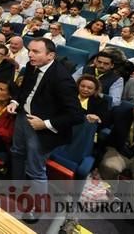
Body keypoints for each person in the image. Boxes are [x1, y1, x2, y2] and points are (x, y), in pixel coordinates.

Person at [6, 38, 84, 220]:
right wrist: (15, 101)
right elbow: (26, 88)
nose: (30, 54)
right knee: (17, 153)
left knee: (35, 170)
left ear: (50, 56)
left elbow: (76, 116)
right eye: (30, 50)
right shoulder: (33, 66)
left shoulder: (62, 79)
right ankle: (17, 191)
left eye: (36, 52)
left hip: (42, 128)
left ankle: (36, 207)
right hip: (22, 118)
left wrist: (45, 124)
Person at [98, 96, 134, 213]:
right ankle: (110, 194)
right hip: (120, 151)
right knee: (109, 166)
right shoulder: (121, 113)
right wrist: (94, 118)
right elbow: (101, 122)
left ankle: (132, 205)